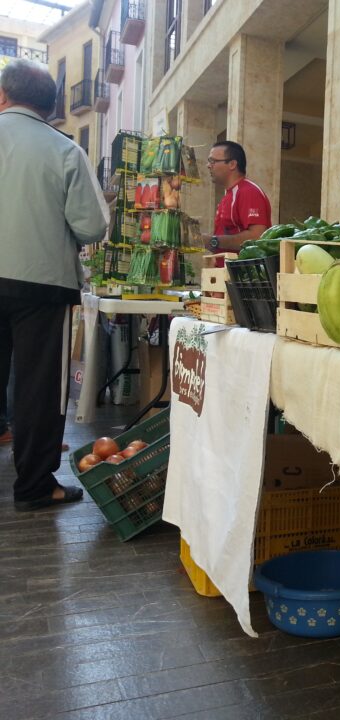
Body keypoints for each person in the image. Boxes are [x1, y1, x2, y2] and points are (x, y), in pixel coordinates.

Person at [0, 59, 109, 511]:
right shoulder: (66, 150)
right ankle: (34, 486)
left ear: (3, 95)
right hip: (42, 283)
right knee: (38, 389)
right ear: (49, 107)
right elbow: (91, 226)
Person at [202, 140, 272, 252]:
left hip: (243, 264)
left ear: (232, 164)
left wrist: (213, 241)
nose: (208, 166)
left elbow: (258, 237)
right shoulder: (229, 195)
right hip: (227, 264)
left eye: (213, 161)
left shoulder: (248, 192)